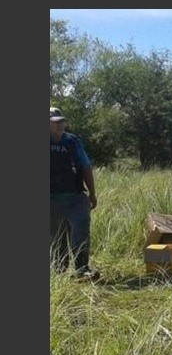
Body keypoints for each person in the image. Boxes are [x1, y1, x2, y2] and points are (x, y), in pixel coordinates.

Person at [50, 107, 100, 280]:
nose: (60, 125)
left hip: (76, 197)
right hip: (52, 199)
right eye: (55, 122)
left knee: (81, 231)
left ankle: (82, 269)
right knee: (57, 238)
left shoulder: (72, 141)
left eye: (61, 122)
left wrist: (92, 193)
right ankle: (59, 273)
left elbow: (85, 166)